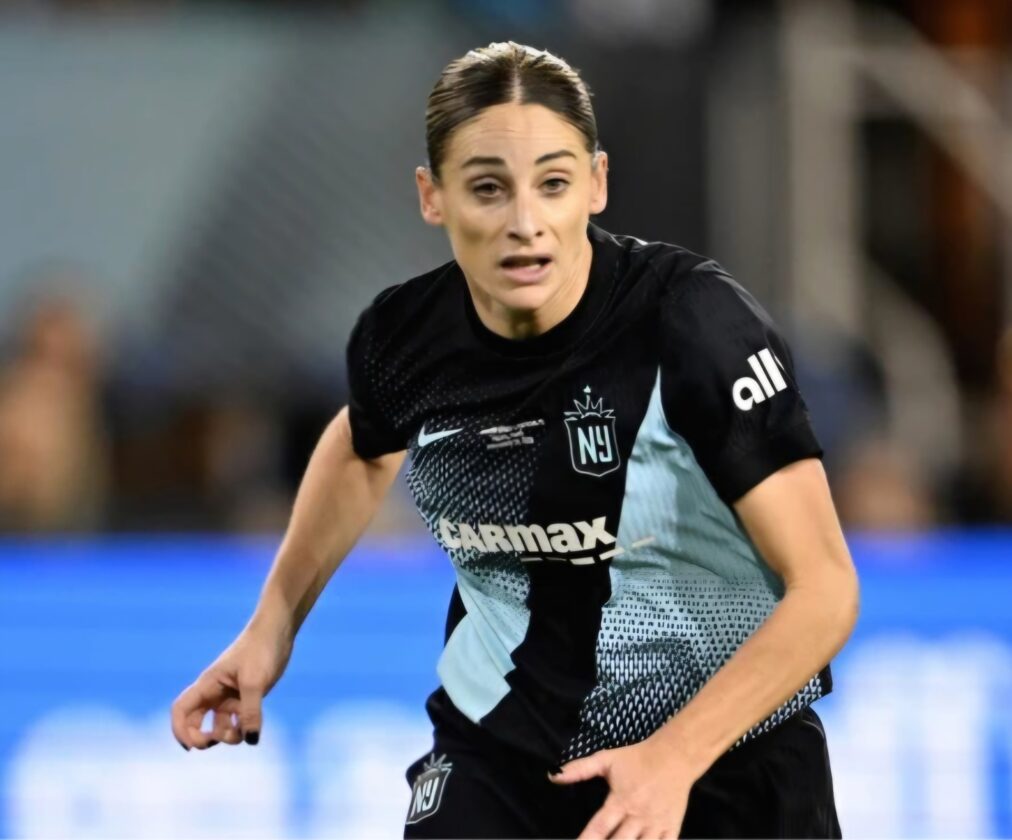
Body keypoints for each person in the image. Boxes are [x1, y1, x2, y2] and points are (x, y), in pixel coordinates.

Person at [171, 41, 859, 839]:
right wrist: (271, 629)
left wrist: (672, 758)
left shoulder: (693, 326)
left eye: (554, 184)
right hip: (501, 751)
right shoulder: (405, 339)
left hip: (723, 758)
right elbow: (361, 447)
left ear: (597, 184)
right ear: (432, 197)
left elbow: (825, 588)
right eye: (488, 188)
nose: (525, 224)